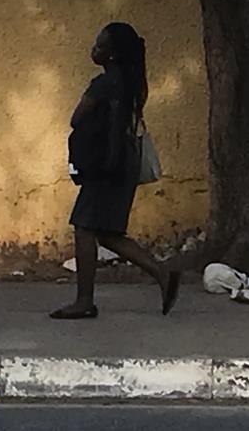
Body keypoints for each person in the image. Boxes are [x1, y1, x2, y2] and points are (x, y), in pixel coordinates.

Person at [52, 23, 180, 319]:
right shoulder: (132, 82)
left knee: (84, 227)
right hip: (124, 162)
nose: (94, 50)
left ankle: (84, 301)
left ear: (112, 53)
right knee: (107, 232)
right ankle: (162, 273)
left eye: (100, 46)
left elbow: (76, 118)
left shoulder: (104, 84)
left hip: (106, 165)